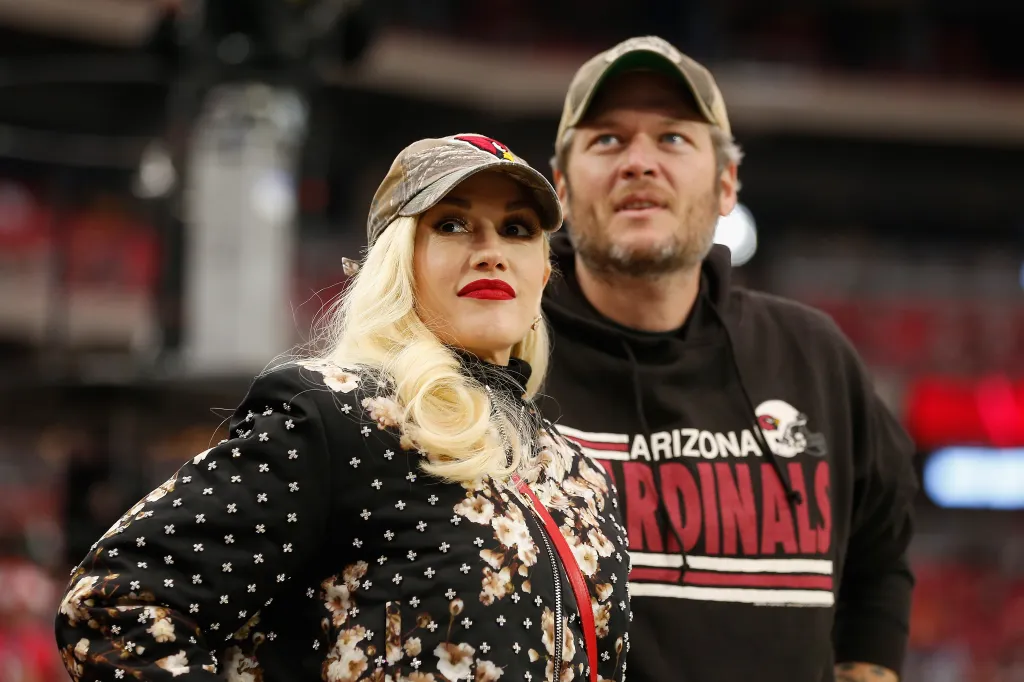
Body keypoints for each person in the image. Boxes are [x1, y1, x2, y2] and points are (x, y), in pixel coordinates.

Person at [55, 134, 632, 682]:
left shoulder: (579, 475)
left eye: (516, 229)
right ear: (398, 263)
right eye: (452, 224)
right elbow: (117, 603)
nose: (490, 253)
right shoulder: (334, 419)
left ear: (543, 269)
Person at [538, 36, 917, 682]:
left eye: (674, 139)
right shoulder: (504, 360)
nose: (639, 162)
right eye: (606, 140)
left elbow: (883, 546)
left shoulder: (813, 356)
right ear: (561, 188)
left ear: (725, 183)